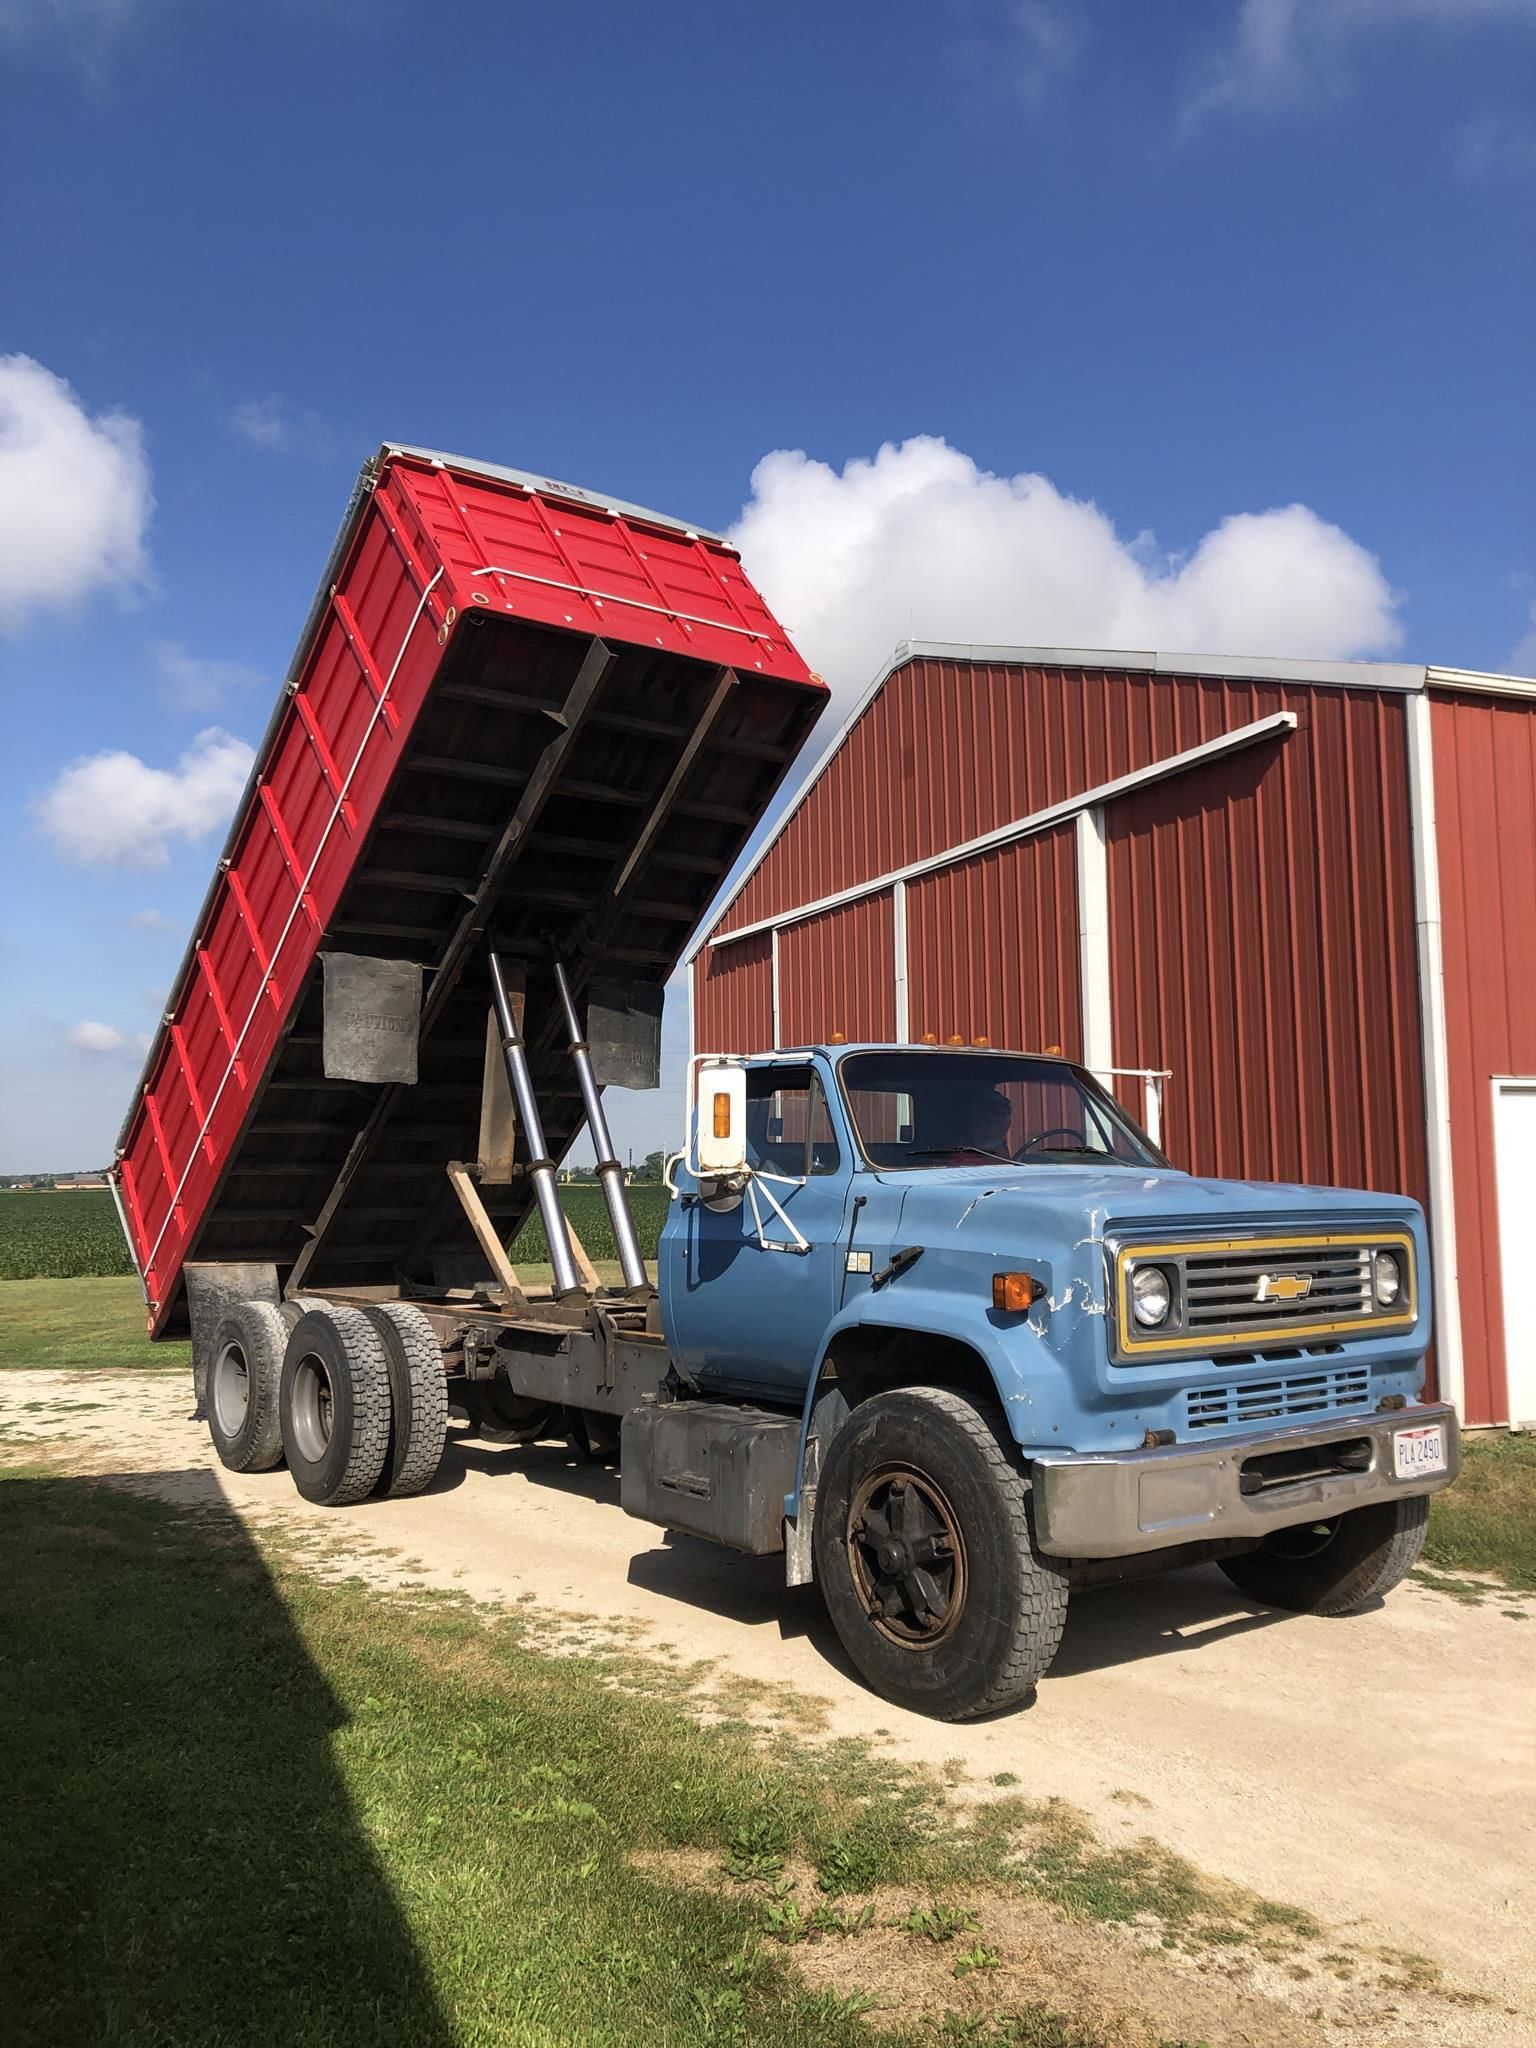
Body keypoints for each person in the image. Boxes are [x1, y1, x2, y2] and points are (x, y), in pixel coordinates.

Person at [939, 1088, 1014, 1166]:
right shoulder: (959, 1156)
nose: (990, 1128)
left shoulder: (998, 1149)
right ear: (971, 1122)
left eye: (997, 1123)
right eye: (983, 1121)